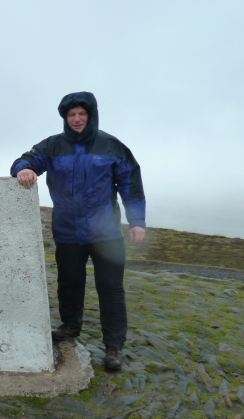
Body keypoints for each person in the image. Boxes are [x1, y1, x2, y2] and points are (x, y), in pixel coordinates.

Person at [11, 92, 146, 370]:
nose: (76, 120)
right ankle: (71, 326)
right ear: (65, 118)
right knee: (69, 282)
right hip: (68, 230)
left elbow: (130, 183)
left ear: (90, 115)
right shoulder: (53, 146)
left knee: (110, 289)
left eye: (81, 114)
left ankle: (113, 347)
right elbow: (25, 159)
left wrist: (137, 221)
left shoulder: (111, 146)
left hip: (106, 233)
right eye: (71, 115)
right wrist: (24, 169)